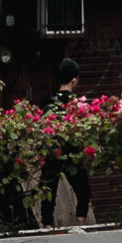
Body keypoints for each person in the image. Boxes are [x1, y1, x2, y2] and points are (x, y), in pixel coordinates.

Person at [39, 57, 94, 226]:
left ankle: (47, 228)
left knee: (48, 194)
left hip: (51, 153)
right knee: (84, 192)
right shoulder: (75, 103)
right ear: (73, 79)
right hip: (71, 153)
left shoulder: (47, 101)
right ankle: (80, 224)